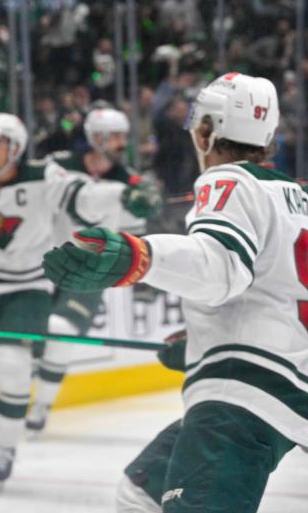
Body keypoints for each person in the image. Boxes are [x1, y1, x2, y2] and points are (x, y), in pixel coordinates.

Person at [43, 73, 306, 513]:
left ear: (206, 131)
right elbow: (273, 288)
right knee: (140, 489)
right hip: (283, 383)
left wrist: (137, 256)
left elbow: (222, 267)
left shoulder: (228, 181)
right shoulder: (292, 195)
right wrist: (204, 341)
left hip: (243, 391)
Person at [0, 112, 154, 492]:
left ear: (16, 148)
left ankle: (4, 449)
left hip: (28, 290)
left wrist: (124, 194)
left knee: (14, 365)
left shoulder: (42, 176)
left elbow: (82, 193)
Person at [27, 106, 161, 434]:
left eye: (123, 136)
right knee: (33, 337)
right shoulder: (59, 164)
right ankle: (31, 381)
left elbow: (132, 235)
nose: (121, 143)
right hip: (44, 261)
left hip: (89, 272)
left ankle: (42, 404)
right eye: (115, 136)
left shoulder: (130, 182)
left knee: (61, 328)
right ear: (97, 137)